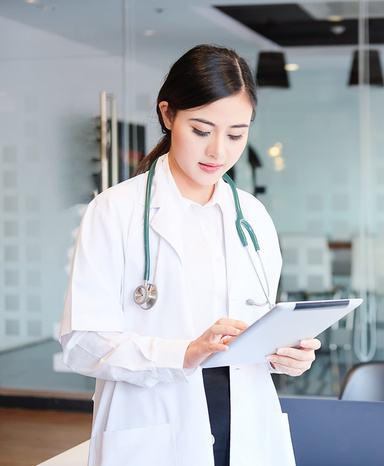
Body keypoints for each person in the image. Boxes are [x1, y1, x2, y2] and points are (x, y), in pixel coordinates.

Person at [59, 44, 320, 466]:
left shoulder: (252, 217)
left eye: (236, 134)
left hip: (247, 430)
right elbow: (83, 344)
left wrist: (286, 356)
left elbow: (256, 329)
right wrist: (185, 352)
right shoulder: (114, 212)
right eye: (202, 130)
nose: (219, 151)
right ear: (167, 115)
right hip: (154, 428)